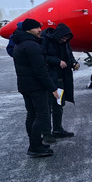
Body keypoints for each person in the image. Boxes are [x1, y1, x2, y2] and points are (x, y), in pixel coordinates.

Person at [11, 18, 60, 157]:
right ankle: (35, 147)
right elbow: (40, 70)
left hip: (25, 85)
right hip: (36, 86)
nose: (40, 30)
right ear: (28, 30)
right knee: (42, 115)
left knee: (31, 114)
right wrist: (52, 88)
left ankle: (35, 143)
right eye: (37, 28)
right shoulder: (32, 46)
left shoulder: (19, 44)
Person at [41, 23, 79, 140]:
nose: (65, 40)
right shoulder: (45, 40)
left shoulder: (66, 43)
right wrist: (57, 61)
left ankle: (57, 129)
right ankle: (46, 133)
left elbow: (70, 56)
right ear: (58, 35)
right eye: (63, 38)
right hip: (50, 79)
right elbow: (42, 57)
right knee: (48, 106)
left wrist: (74, 63)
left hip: (61, 80)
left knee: (59, 104)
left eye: (67, 38)